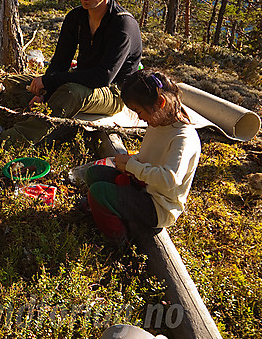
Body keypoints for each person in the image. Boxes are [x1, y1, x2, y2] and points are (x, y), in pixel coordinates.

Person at [0, 0, 142, 146]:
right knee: (16, 82)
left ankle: (6, 141)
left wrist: (50, 82)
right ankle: (41, 119)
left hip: (114, 93)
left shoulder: (122, 24)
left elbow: (104, 77)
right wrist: (45, 90)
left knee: (70, 92)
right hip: (83, 81)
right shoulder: (75, 18)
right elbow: (60, 61)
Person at [84, 69, 201, 241]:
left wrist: (132, 166)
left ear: (160, 102)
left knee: (98, 192)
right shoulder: (158, 123)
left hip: (158, 206)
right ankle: (113, 211)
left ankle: (119, 240)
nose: (140, 118)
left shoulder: (183, 138)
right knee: (94, 173)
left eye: (139, 111)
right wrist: (131, 162)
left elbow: (170, 179)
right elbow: (148, 156)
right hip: (143, 186)